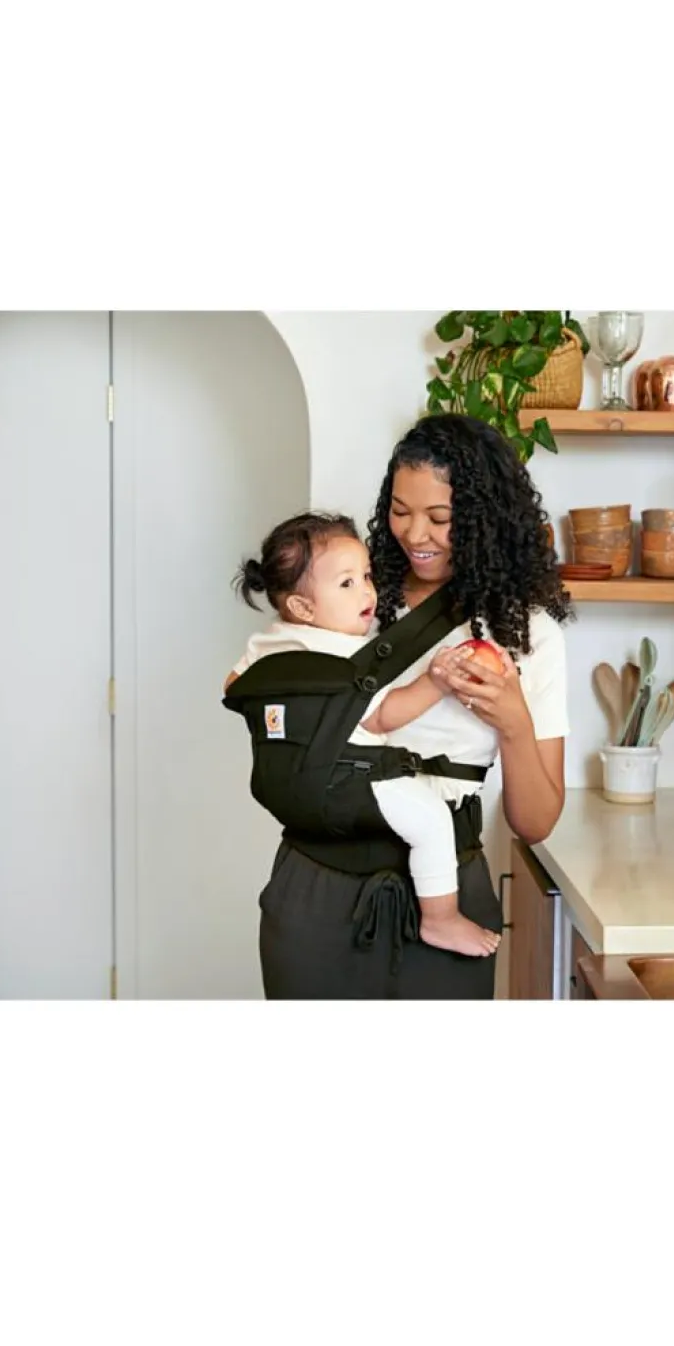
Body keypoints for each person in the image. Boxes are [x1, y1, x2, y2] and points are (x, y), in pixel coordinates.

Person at [233, 414, 572, 1001]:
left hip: (447, 886)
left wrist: (514, 721)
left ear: (485, 517)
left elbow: (536, 822)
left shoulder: (526, 633)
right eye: (399, 510)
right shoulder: (349, 596)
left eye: (440, 518)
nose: (415, 534)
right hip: (319, 884)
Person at [224, 511, 500, 958]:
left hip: (293, 787)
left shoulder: (267, 643)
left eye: (367, 576)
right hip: (353, 779)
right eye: (347, 583)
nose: (367, 591)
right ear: (303, 608)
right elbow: (382, 717)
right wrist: (436, 682)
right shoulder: (345, 654)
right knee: (433, 821)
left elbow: (234, 686)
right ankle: (441, 919)